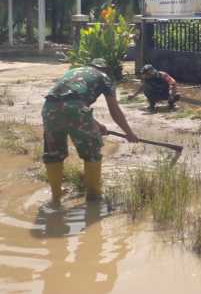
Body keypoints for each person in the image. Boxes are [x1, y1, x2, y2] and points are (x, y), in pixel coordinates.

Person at [42, 58, 139, 206]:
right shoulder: (104, 77)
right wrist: (129, 133)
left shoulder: (72, 72)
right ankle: (93, 197)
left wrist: (96, 124)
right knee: (92, 151)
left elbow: (67, 100)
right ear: (105, 69)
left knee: (53, 153)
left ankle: (55, 197)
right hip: (76, 108)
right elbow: (115, 111)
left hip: (49, 107)